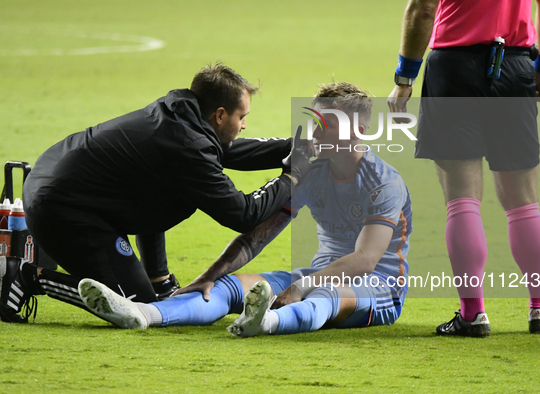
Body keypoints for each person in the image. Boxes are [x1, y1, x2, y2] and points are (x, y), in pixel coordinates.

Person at [75, 82, 413, 336]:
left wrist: (299, 288)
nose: (316, 131)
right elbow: (256, 238)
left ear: (361, 130)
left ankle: (267, 322)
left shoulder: (383, 183)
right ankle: (143, 314)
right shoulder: (311, 172)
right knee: (227, 287)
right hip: (315, 275)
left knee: (322, 295)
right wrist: (209, 275)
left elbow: (365, 260)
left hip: (377, 287)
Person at [0, 63, 313, 323]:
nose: (244, 125)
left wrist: (298, 146)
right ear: (219, 115)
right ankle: (25, 275)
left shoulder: (182, 118)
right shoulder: (188, 146)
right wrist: (291, 176)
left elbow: (225, 153)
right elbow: (243, 214)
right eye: (241, 117)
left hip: (63, 187)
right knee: (131, 307)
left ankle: (158, 280)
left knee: (163, 196)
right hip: (62, 210)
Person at [388, 0, 540, 336]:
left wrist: (405, 76)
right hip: (515, 65)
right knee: (524, 202)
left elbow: (422, 9)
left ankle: (473, 314)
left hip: (453, 68)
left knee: (462, 197)